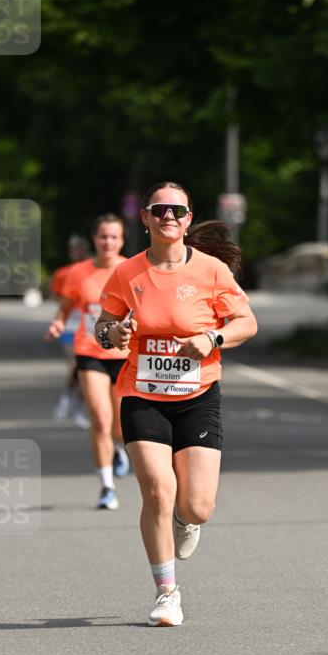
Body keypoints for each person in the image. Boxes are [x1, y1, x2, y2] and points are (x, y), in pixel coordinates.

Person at [95, 181, 258, 626]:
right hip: (141, 394)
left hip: (198, 395)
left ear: (188, 221)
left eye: (177, 211)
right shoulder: (127, 273)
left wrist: (212, 337)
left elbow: (247, 322)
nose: (168, 216)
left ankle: (188, 520)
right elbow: (104, 326)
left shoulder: (210, 272)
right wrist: (114, 335)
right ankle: (167, 593)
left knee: (197, 505)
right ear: (145, 217)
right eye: (159, 209)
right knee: (157, 491)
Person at [46, 215, 130, 509]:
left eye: (114, 237)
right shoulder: (78, 273)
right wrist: (58, 323)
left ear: (122, 240)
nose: (108, 242)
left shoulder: (132, 270)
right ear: (94, 239)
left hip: (124, 355)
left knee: (121, 426)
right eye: (103, 236)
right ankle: (107, 486)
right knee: (100, 418)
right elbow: (66, 307)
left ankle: (118, 448)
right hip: (90, 351)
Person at [50, 233, 92, 425]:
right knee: (74, 366)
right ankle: (66, 398)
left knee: (85, 369)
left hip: (90, 322)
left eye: (80, 248)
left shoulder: (92, 269)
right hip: (70, 324)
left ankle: (81, 406)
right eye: (74, 249)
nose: (77, 252)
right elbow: (57, 297)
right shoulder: (63, 273)